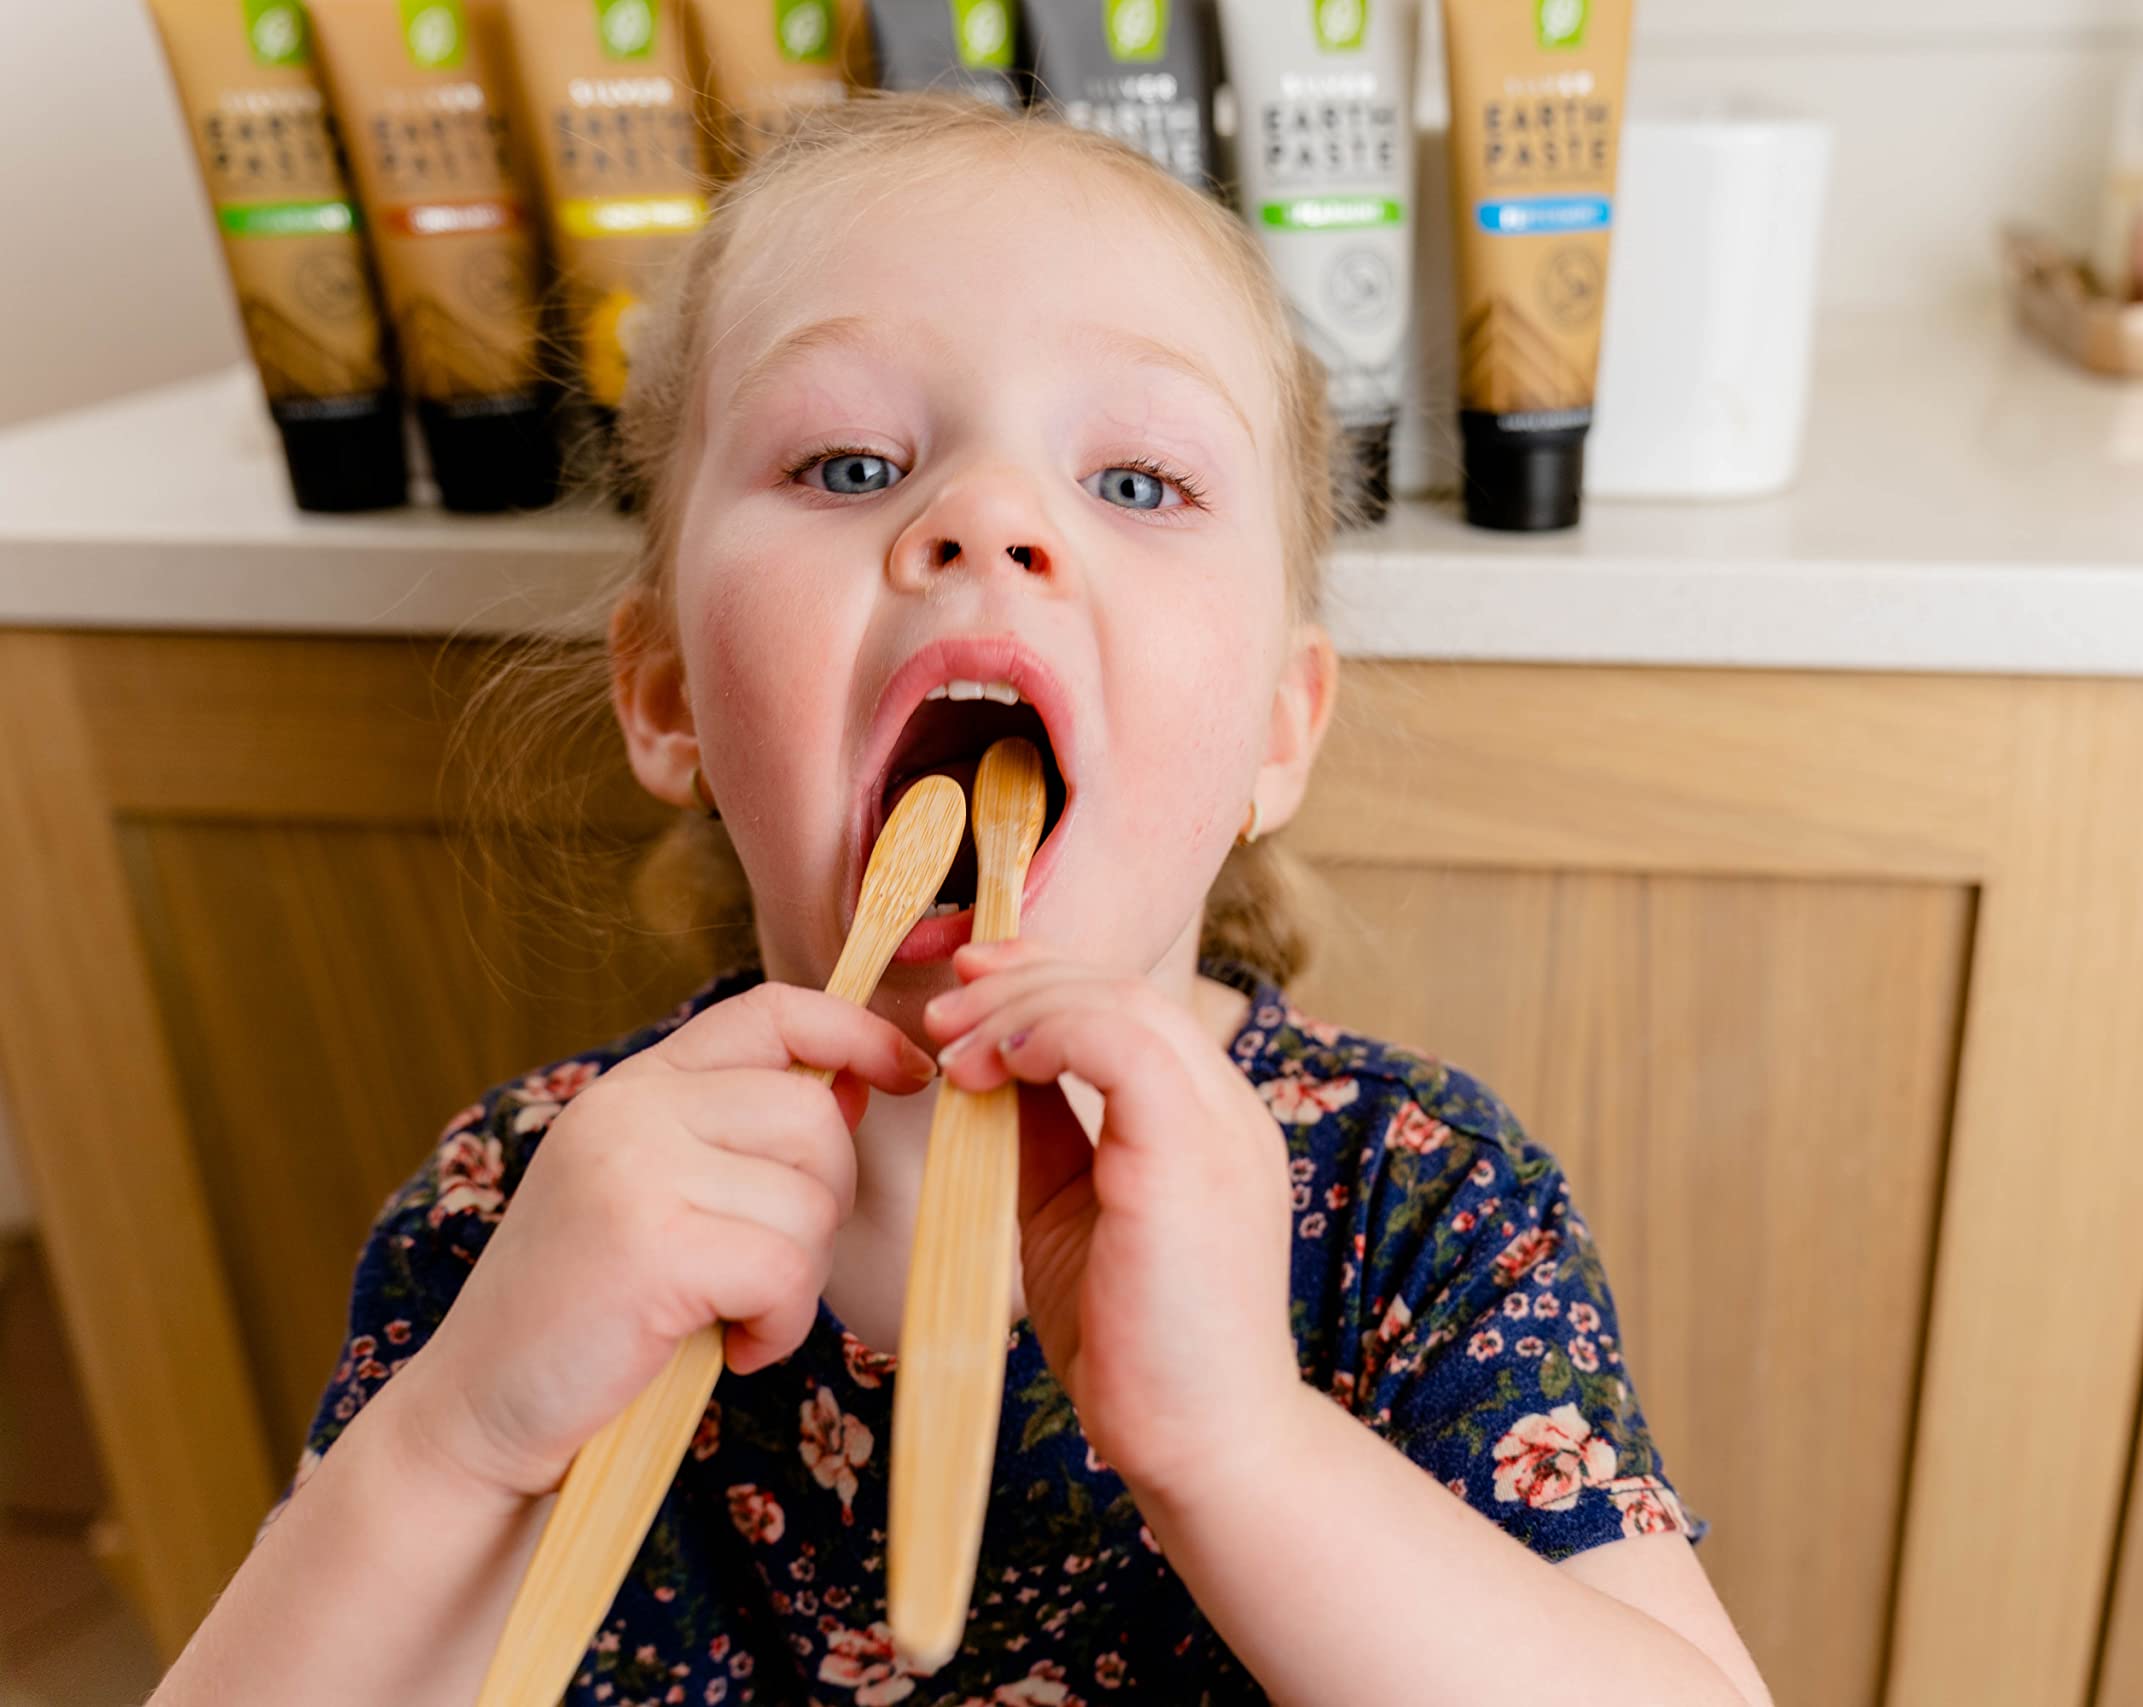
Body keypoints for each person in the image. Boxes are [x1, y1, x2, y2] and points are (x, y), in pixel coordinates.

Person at [156, 94, 1771, 1707]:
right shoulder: (514, 1209)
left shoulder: (1408, 1212)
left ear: (1278, 732)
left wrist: (1242, 1451)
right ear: (667, 699)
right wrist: (465, 1439)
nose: (988, 521)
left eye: (1137, 482)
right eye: (850, 461)